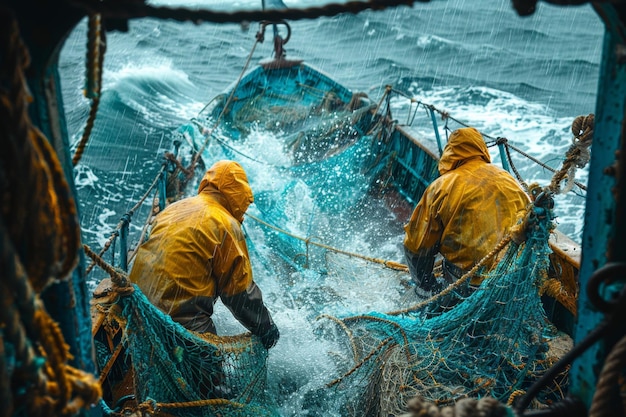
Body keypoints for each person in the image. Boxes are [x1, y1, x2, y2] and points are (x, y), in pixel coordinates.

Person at [129, 160, 279, 350]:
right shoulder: (225, 223)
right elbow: (238, 294)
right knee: (211, 372)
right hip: (180, 324)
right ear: (238, 194)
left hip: (138, 309)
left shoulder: (174, 208)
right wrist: (266, 327)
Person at [403, 127, 529, 310]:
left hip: (466, 285)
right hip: (511, 280)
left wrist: (426, 285)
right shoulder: (509, 180)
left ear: (450, 153)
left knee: (432, 311)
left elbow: (416, 246)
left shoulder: (441, 187)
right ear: (481, 149)